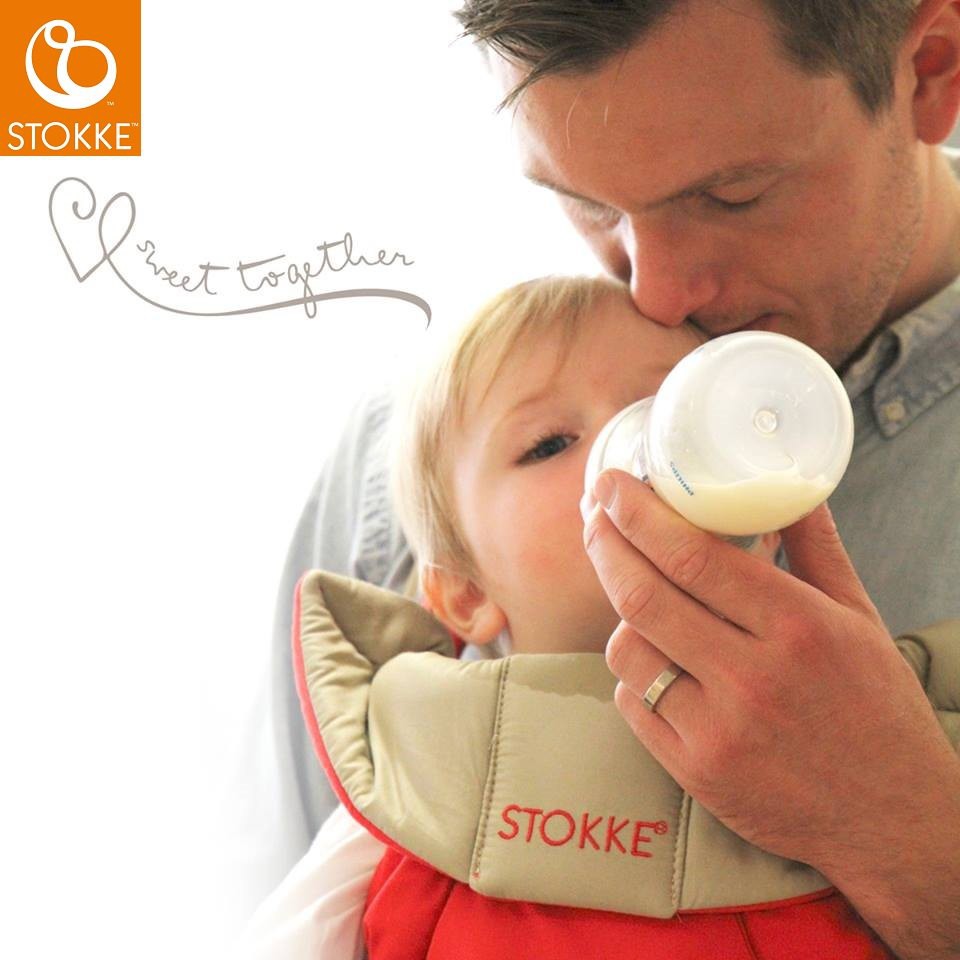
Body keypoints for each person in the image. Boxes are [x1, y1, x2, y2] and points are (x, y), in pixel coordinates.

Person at [260, 2, 960, 957]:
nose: (654, 291)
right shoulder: (412, 462)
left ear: (932, 69)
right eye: (586, 202)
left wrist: (903, 824)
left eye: (733, 195)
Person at [246, 274, 924, 958]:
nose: (636, 459)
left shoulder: (872, 711)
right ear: (467, 594)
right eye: (549, 444)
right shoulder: (420, 770)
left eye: (665, 413)